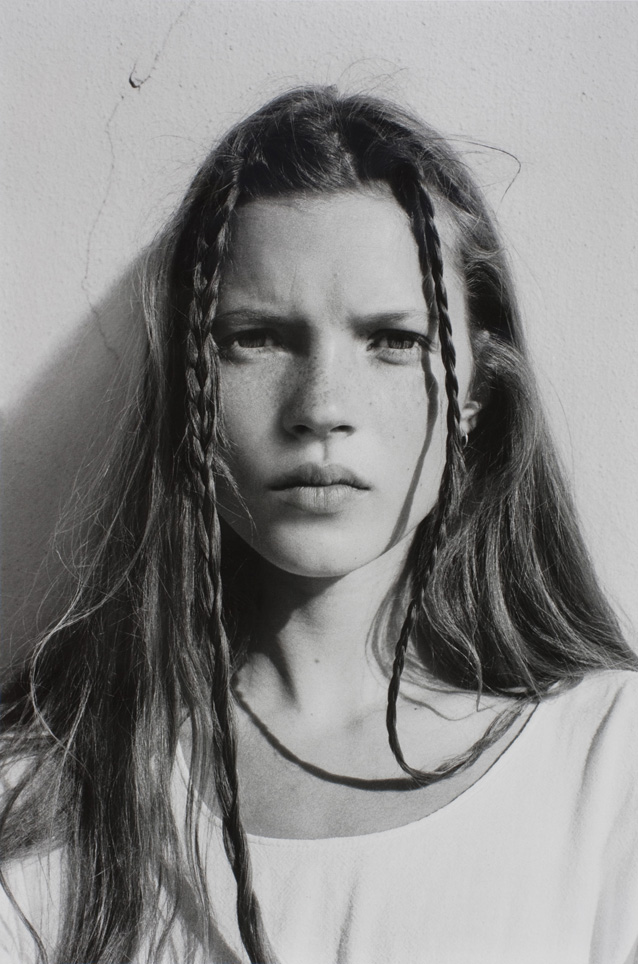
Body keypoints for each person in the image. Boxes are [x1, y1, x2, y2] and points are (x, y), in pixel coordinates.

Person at [1, 86, 637, 964]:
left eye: (394, 340)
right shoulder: (39, 797)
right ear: (189, 382)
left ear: (477, 392)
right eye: (257, 337)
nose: (322, 407)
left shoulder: (613, 766)